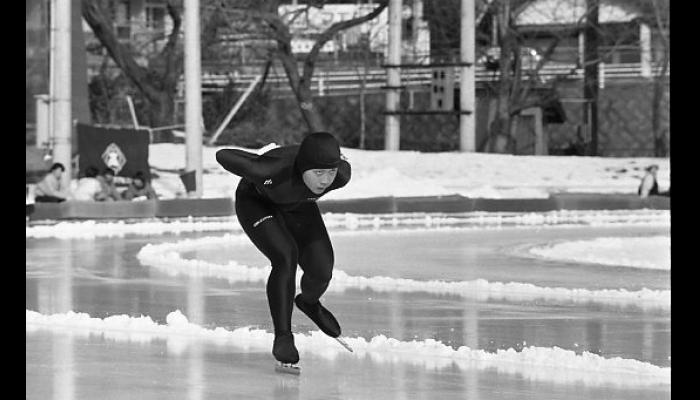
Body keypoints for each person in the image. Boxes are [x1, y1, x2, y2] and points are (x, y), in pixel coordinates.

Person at [216, 132, 351, 366]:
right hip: (256, 203)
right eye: (318, 173)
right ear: (303, 167)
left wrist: (330, 166)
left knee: (322, 270)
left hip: (297, 206)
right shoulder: (271, 170)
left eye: (330, 172)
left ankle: (309, 303)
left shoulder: (341, 176)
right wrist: (259, 159)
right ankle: (283, 337)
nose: (325, 180)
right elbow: (222, 155)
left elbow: (331, 170)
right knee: (285, 256)